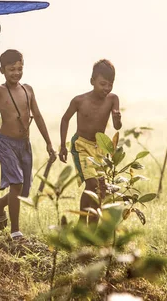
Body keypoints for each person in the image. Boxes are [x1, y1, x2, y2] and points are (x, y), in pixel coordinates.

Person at [0, 36, 56, 241]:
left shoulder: (28, 90)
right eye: (11, 69)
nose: (16, 73)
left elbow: (38, 116)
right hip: (6, 143)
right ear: (2, 71)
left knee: (23, 191)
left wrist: (49, 143)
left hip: (24, 144)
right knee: (16, 184)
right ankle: (16, 231)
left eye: (19, 68)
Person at [59, 59, 122, 226]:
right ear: (92, 81)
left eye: (110, 84)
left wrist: (117, 118)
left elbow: (117, 126)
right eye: (103, 84)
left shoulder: (113, 99)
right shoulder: (79, 101)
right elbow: (65, 120)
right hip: (81, 145)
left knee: (100, 188)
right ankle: (82, 220)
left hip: (99, 147)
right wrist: (62, 145)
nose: (106, 88)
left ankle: (92, 225)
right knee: (92, 184)